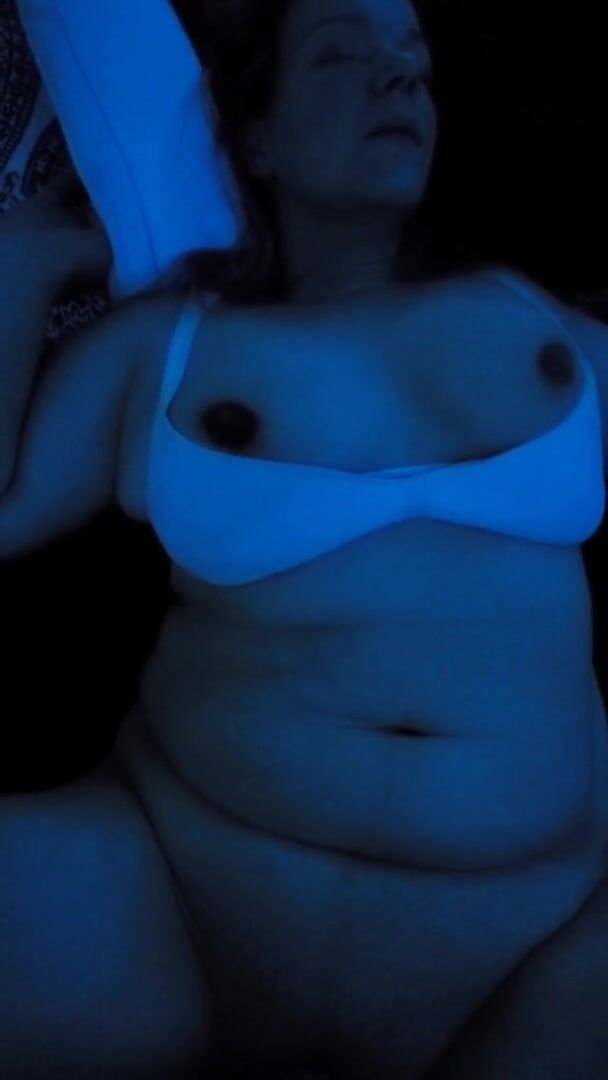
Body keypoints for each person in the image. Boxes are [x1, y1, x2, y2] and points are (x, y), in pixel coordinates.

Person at [2, 0, 608, 1075]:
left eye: (414, 61)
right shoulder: (171, 341)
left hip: (530, 943)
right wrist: (17, 271)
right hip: (175, 887)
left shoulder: (537, 317)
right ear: (261, 139)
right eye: (342, 54)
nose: (399, 79)